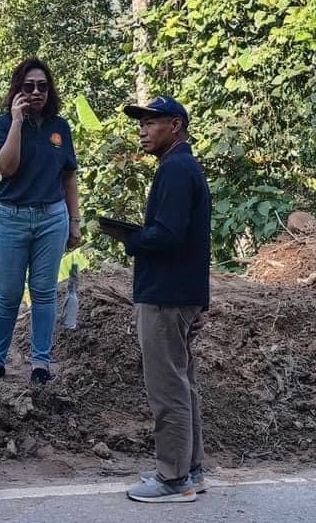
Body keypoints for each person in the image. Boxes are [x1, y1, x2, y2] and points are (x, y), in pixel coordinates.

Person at [99, 96, 211, 504]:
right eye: (140, 124)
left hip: (165, 295)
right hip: (180, 293)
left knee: (167, 388)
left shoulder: (175, 170)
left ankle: (174, 479)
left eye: (151, 122)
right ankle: (190, 469)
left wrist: (130, 238)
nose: (142, 131)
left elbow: (168, 235)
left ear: (176, 125)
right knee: (182, 383)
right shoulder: (183, 167)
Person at [0, 57, 81, 387]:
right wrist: (17, 122)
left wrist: (75, 221)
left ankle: (40, 362)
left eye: (42, 86)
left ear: (50, 90)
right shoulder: (2, 125)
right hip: (13, 216)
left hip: (52, 217)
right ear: (17, 90)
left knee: (44, 293)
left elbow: (69, 177)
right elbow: (6, 167)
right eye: (29, 86)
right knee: (7, 294)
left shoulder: (60, 128)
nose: (36, 92)